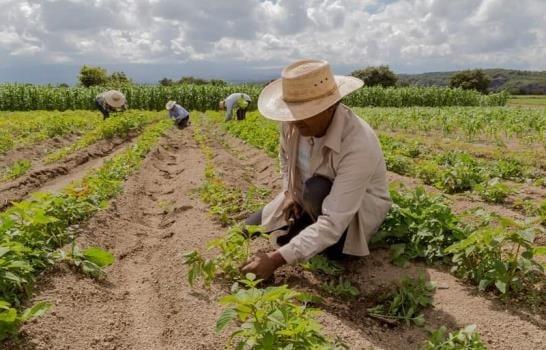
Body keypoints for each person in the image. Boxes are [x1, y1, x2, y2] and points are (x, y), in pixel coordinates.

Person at [241, 59, 392, 280]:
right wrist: (289, 192)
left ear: (330, 106)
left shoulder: (358, 144)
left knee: (316, 190)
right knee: (246, 229)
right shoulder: (292, 124)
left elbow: (333, 222)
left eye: (304, 112)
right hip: (305, 198)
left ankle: (327, 246)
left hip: (349, 214)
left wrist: (275, 260)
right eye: (292, 113)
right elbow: (284, 157)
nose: (294, 121)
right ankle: (303, 224)